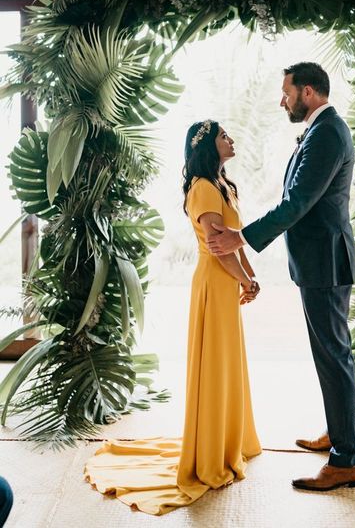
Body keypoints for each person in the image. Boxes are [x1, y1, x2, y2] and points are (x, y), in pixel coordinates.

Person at [84, 120, 261, 515]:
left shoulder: (224, 186)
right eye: (223, 136)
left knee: (229, 362)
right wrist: (244, 280)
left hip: (228, 280)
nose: (231, 139)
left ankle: (230, 439)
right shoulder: (201, 188)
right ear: (206, 146)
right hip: (214, 284)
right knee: (215, 363)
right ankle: (211, 450)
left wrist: (251, 278)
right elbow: (218, 248)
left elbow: (236, 237)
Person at [207, 61, 355, 491]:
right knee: (331, 355)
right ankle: (339, 435)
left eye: (287, 92)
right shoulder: (322, 130)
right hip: (321, 261)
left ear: (308, 92)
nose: (282, 100)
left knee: (334, 357)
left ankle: (346, 460)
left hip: (326, 262)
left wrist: (241, 237)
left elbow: (298, 202)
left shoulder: (328, 132)